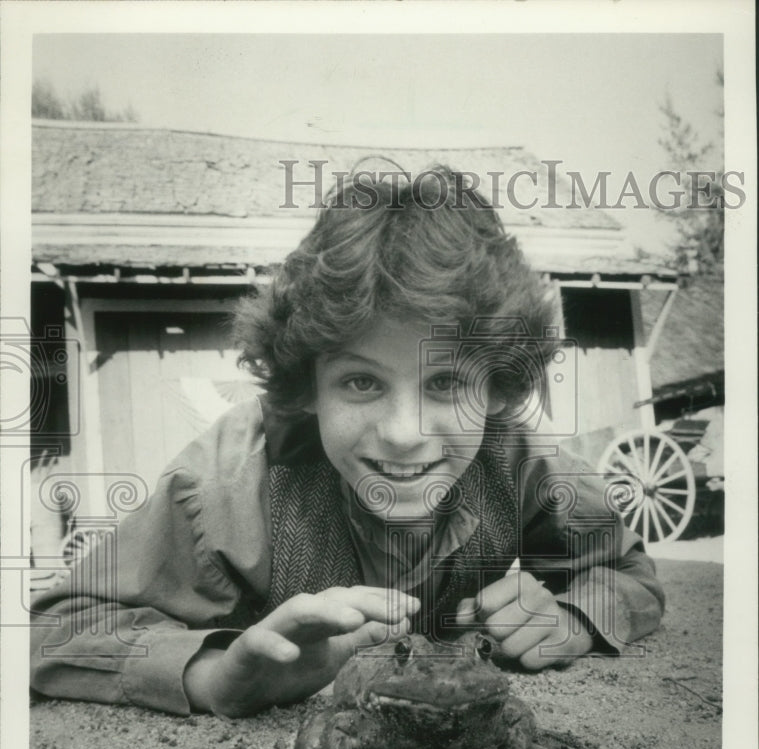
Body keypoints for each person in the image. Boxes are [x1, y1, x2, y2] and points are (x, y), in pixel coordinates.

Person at [30, 165, 664, 718]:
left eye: (445, 382)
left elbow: (629, 569)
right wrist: (214, 674)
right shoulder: (226, 484)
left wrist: (572, 621)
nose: (403, 435)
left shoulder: (520, 460)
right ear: (307, 386)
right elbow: (54, 627)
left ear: (497, 391)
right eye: (361, 382)